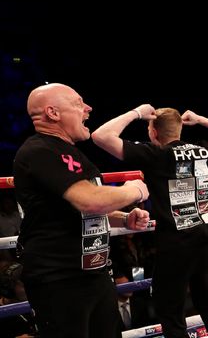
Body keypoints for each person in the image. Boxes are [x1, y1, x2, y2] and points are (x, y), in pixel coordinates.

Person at [12, 83, 150, 337]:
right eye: (78, 103)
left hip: (94, 271)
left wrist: (124, 219)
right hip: (59, 278)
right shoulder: (39, 151)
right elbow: (89, 200)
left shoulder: (70, 153)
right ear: (53, 113)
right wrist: (135, 190)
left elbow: (79, 210)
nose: (88, 108)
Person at [92, 105, 208, 338]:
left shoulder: (156, 154)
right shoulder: (203, 150)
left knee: (170, 312)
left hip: (176, 243)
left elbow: (100, 136)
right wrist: (200, 118)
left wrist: (136, 113)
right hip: (206, 239)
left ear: (154, 132)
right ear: (179, 128)